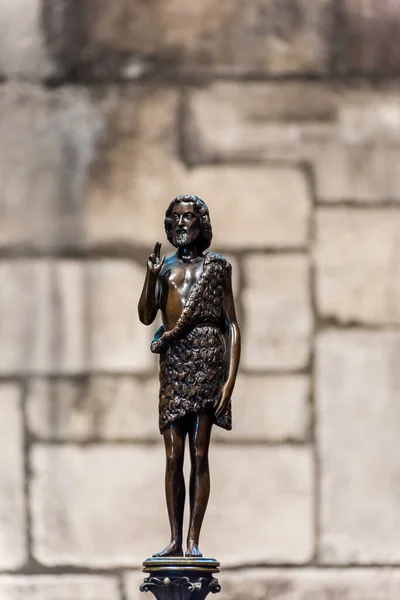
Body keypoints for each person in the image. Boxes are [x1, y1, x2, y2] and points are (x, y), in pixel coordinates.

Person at [138, 194, 241, 557]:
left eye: (189, 218)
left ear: (202, 224)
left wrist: (228, 381)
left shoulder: (217, 268)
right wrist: (150, 278)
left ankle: (193, 540)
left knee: (199, 453)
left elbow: (231, 325)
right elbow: (147, 316)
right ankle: (174, 538)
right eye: (176, 218)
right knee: (172, 456)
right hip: (174, 363)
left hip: (207, 362)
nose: (182, 224)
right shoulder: (163, 268)